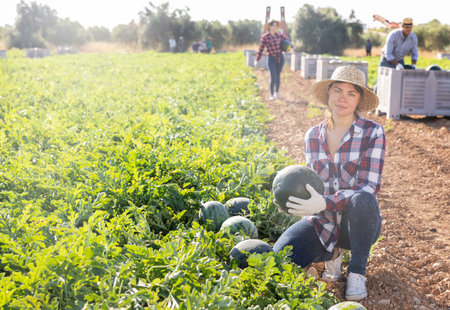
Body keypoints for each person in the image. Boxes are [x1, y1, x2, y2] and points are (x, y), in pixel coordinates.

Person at [273, 65, 385, 301]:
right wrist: (291, 202)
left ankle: (356, 271)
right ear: (328, 95)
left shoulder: (373, 133)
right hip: (322, 223)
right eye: (337, 90)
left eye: (351, 93)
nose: (342, 98)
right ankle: (332, 253)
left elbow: (368, 187)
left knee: (363, 198)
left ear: (358, 100)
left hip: (359, 224)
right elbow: (310, 183)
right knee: (279, 258)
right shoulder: (312, 135)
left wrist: (324, 202)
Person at [255, 19, 293, 100]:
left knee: (278, 76)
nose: (275, 27)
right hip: (271, 59)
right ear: (270, 26)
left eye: (276, 25)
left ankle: (277, 92)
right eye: (273, 25)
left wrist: (290, 47)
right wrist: (257, 59)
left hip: (280, 58)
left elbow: (288, 40)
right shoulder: (265, 37)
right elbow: (261, 49)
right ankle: (271, 94)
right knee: (273, 76)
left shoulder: (279, 35)